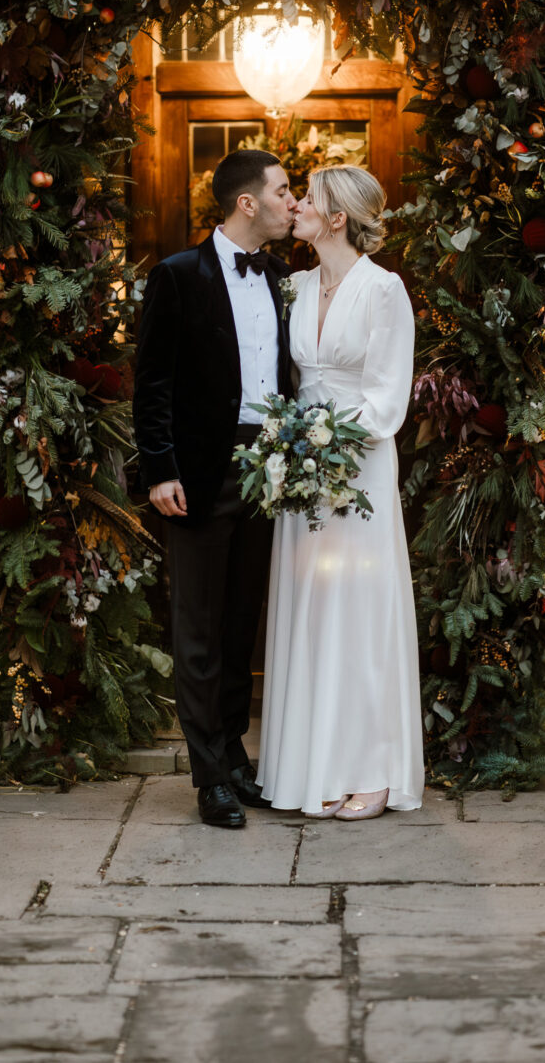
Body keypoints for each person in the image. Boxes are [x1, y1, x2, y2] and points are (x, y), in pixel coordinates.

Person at [133, 149, 296, 828]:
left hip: (271, 469)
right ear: (247, 203)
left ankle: (234, 754)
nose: (295, 202)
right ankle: (209, 778)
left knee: (240, 621)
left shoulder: (283, 276)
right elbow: (153, 383)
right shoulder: (177, 275)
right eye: (285, 191)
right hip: (198, 472)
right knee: (197, 627)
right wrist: (160, 467)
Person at [256, 164, 424, 820]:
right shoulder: (292, 287)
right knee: (310, 608)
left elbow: (387, 400)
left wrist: (326, 437)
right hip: (300, 471)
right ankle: (312, 767)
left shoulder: (384, 291)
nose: (295, 204)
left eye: (310, 199)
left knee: (361, 611)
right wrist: (289, 443)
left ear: (337, 219)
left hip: (360, 469)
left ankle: (374, 771)